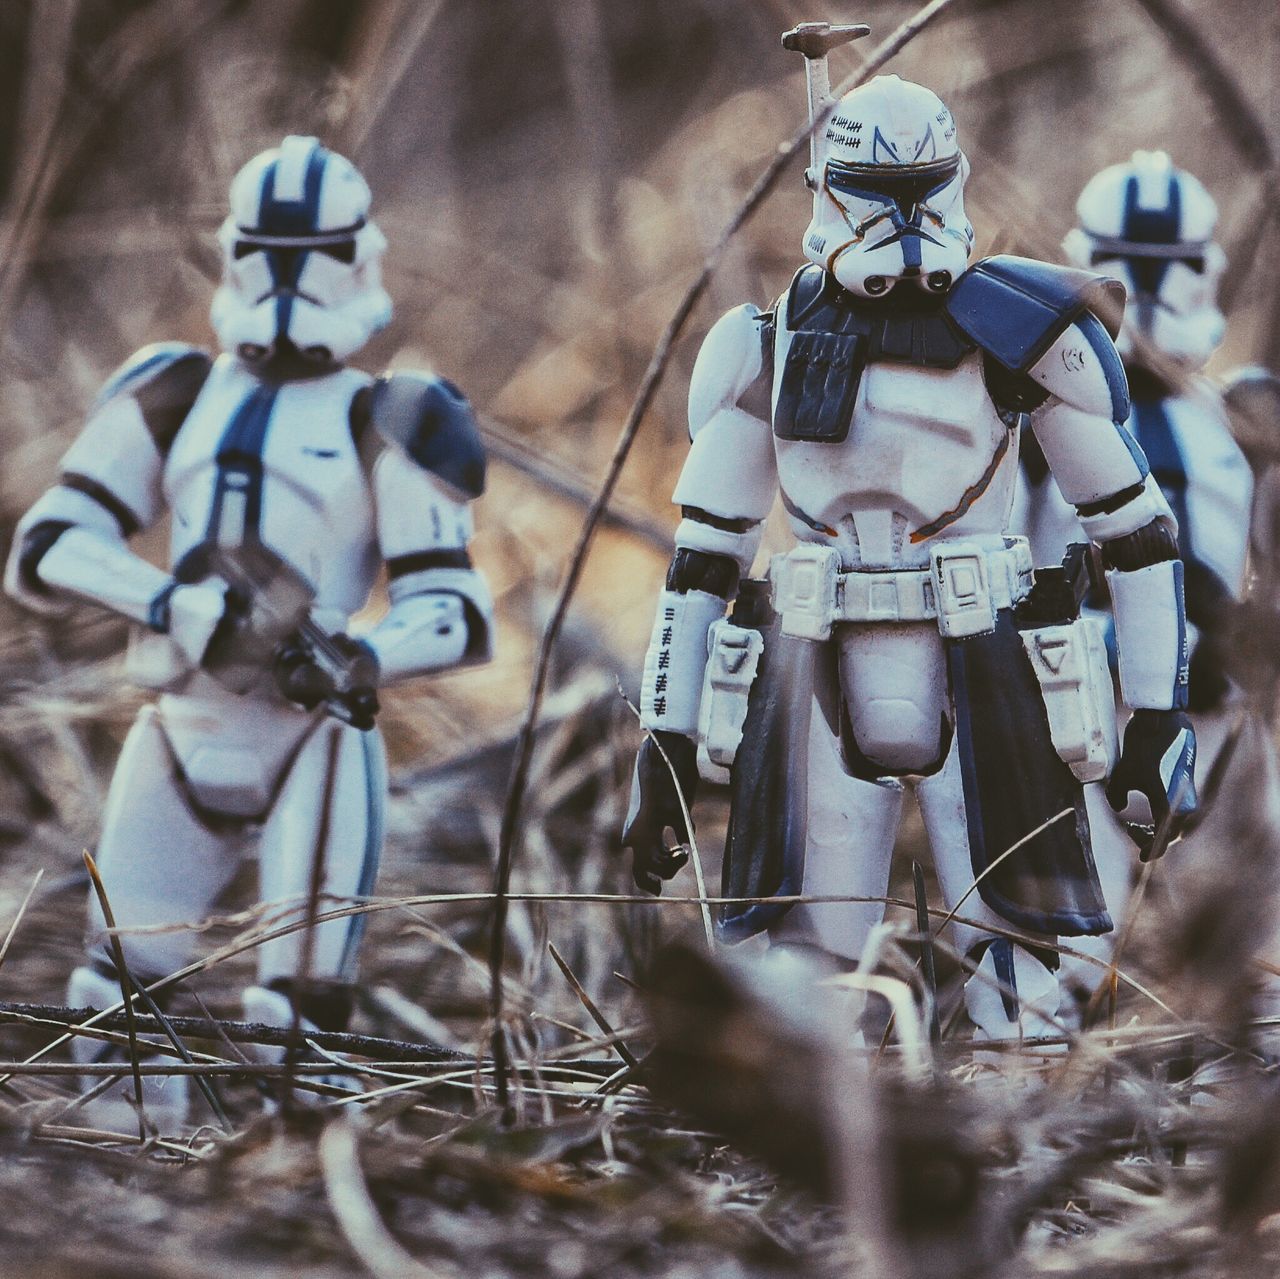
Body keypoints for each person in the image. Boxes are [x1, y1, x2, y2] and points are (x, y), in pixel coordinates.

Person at [622, 49, 1195, 1041]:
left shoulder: (1021, 334)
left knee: (1014, 947)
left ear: (954, 182)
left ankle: (1015, 1130)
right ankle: (822, 1144)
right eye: (872, 193)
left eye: (921, 191)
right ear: (825, 191)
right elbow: (701, 558)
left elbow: (1133, 529)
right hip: (815, 653)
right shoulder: (759, 343)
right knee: (808, 951)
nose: (901, 218)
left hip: (981, 654)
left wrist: (1154, 712)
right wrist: (666, 735)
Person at [5, 135, 493, 1123]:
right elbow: (48, 547)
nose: (284, 280)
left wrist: (357, 654)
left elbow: (452, 612)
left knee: (300, 1018)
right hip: (183, 718)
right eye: (265, 252)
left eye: (307, 254)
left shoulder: (393, 416)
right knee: (117, 990)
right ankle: (133, 1198)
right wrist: (169, 600)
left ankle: (303, 1204)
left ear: (359, 258)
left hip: (310, 732)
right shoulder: (176, 390)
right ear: (232, 253)